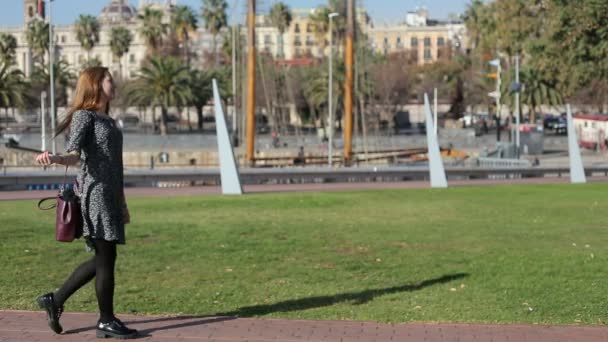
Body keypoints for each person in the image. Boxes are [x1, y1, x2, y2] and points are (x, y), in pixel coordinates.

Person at [34, 66, 137, 339]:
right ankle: (105, 320)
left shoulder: (110, 121)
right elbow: (74, 155)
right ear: (95, 84)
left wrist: (122, 201)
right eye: (109, 79)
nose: (113, 83)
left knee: (105, 257)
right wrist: (55, 159)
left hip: (111, 195)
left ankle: (55, 301)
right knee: (106, 257)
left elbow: (117, 165)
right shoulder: (84, 116)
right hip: (94, 194)